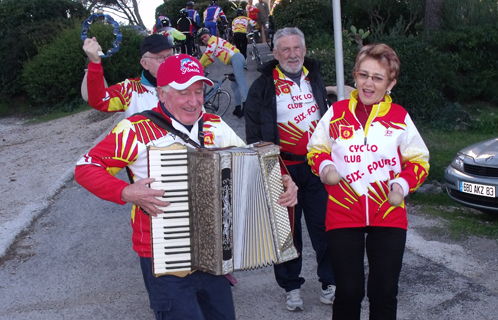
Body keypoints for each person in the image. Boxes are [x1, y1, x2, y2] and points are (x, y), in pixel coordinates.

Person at [75, 54, 299, 319]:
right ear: (162, 92)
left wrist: (282, 183)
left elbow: (251, 165)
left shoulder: (214, 125)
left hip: (214, 251)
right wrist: (125, 191)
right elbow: (86, 167)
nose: (193, 101)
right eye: (183, 93)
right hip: (163, 254)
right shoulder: (136, 129)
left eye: (198, 91)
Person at [307, 44, 430, 320]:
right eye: (364, 75)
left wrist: (402, 185)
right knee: (349, 292)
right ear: (355, 76)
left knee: (384, 292)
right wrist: (325, 166)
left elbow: (419, 160)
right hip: (343, 213)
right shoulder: (336, 112)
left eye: (378, 77)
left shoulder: (399, 118)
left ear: (391, 83)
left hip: (388, 214)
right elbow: (316, 149)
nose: (368, 83)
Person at [244, 27, 336, 311]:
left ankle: (330, 281)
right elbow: (254, 133)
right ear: (275, 53)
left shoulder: (315, 78)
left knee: (325, 226)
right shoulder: (262, 86)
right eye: (285, 49)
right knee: (286, 232)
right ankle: (291, 286)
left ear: (305, 50)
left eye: (297, 48)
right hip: (281, 167)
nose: (292, 54)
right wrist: (272, 168)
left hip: (316, 167)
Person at [82, 34, 176, 117]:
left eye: (170, 56)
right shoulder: (130, 90)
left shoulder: (187, 82)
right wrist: (95, 63)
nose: (167, 61)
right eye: (160, 57)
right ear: (144, 63)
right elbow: (99, 101)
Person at [197, 27, 248, 118]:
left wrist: (198, 65)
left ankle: (247, 106)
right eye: (201, 38)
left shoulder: (213, 40)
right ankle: (238, 108)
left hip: (236, 58)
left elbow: (207, 54)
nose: (204, 39)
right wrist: (202, 66)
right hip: (234, 60)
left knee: (241, 81)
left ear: (209, 34)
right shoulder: (212, 44)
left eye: (204, 36)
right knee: (234, 85)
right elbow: (211, 59)